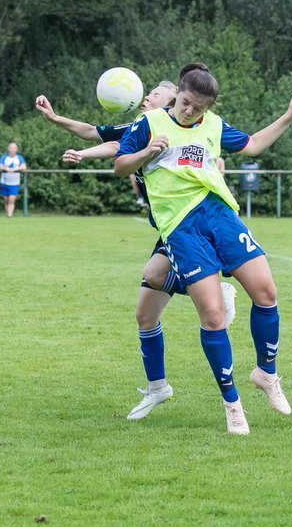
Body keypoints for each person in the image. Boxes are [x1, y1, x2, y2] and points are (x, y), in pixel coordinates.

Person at [115, 63, 292, 434]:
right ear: (179, 92)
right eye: (186, 104)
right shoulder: (149, 124)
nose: (190, 112)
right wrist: (146, 154)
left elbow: (252, 145)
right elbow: (120, 166)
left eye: (199, 109)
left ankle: (266, 374)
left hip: (218, 212)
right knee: (213, 316)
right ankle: (232, 404)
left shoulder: (214, 125)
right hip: (180, 227)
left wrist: (288, 115)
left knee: (266, 291)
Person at [36, 83, 239, 421]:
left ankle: (217, 290)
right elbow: (96, 135)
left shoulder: (177, 130)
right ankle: (158, 387)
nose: (146, 97)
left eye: (154, 94)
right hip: (167, 226)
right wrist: (57, 121)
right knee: (145, 315)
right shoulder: (140, 129)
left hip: (186, 224)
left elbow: (209, 152)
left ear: (172, 102)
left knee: (153, 274)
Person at [0, 142, 27, 217]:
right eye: (11, 148)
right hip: (4, 182)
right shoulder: (4, 157)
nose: (12, 149)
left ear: (16, 149)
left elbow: (24, 167)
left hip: (14, 183)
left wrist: (15, 169)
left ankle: (10, 215)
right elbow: (0, 166)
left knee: (11, 199)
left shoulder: (19, 158)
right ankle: (8, 214)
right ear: (8, 148)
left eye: (14, 148)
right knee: (6, 200)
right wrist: (6, 169)